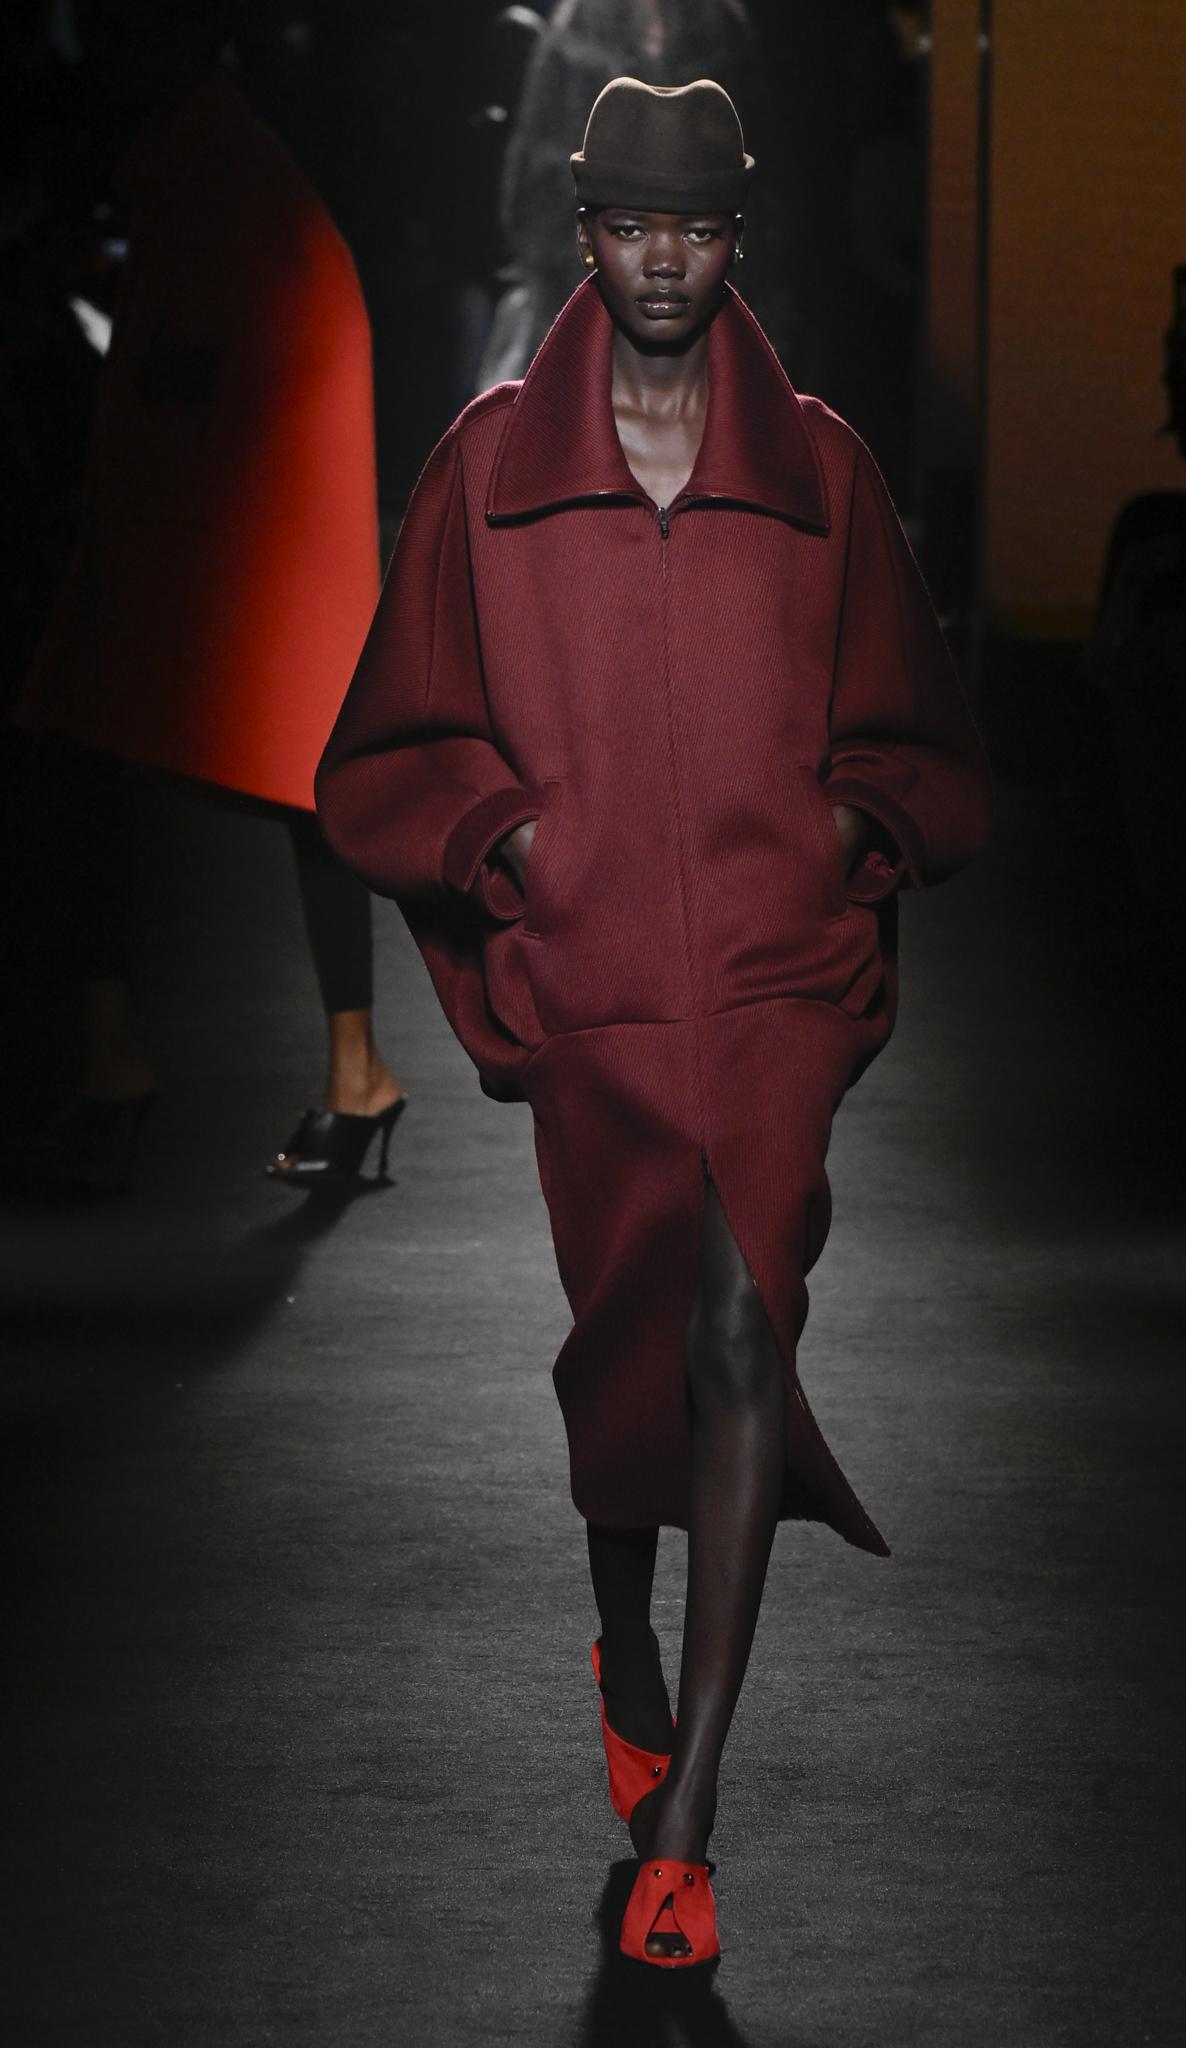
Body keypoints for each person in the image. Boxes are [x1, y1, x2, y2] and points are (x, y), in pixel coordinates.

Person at [317, 77, 988, 1966]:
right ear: (586, 237)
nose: (664, 259)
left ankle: (688, 1810)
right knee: (633, 1344)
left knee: (736, 1320)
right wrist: (510, 840)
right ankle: (619, 1636)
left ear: (735, 240)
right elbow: (386, 741)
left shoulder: (822, 471)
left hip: (771, 976)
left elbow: (922, 736)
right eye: (631, 227)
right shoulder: (487, 469)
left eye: (694, 227)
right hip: (598, 979)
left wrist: (843, 827)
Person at [13, 2, 404, 1192]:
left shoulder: (217, 172)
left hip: (240, 528)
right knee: (268, 783)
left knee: (97, 757)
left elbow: (186, 358)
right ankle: (328, 1071)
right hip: (241, 526)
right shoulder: (209, 160)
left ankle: (132, 1062)